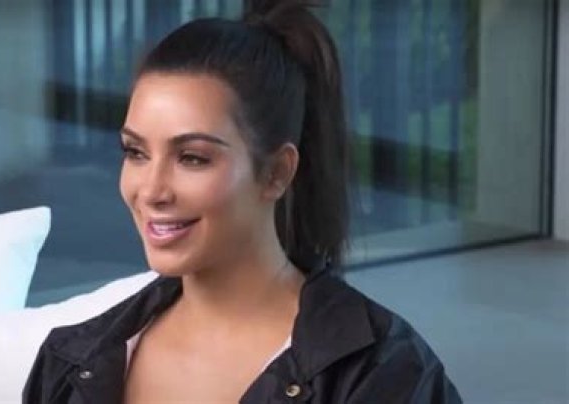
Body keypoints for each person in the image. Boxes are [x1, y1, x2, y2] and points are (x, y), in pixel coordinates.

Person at [23, 0, 463, 402]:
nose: (152, 190)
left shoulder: (382, 376)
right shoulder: (68, 365)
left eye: (192, 158)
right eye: (136, 152)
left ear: (276, 173)